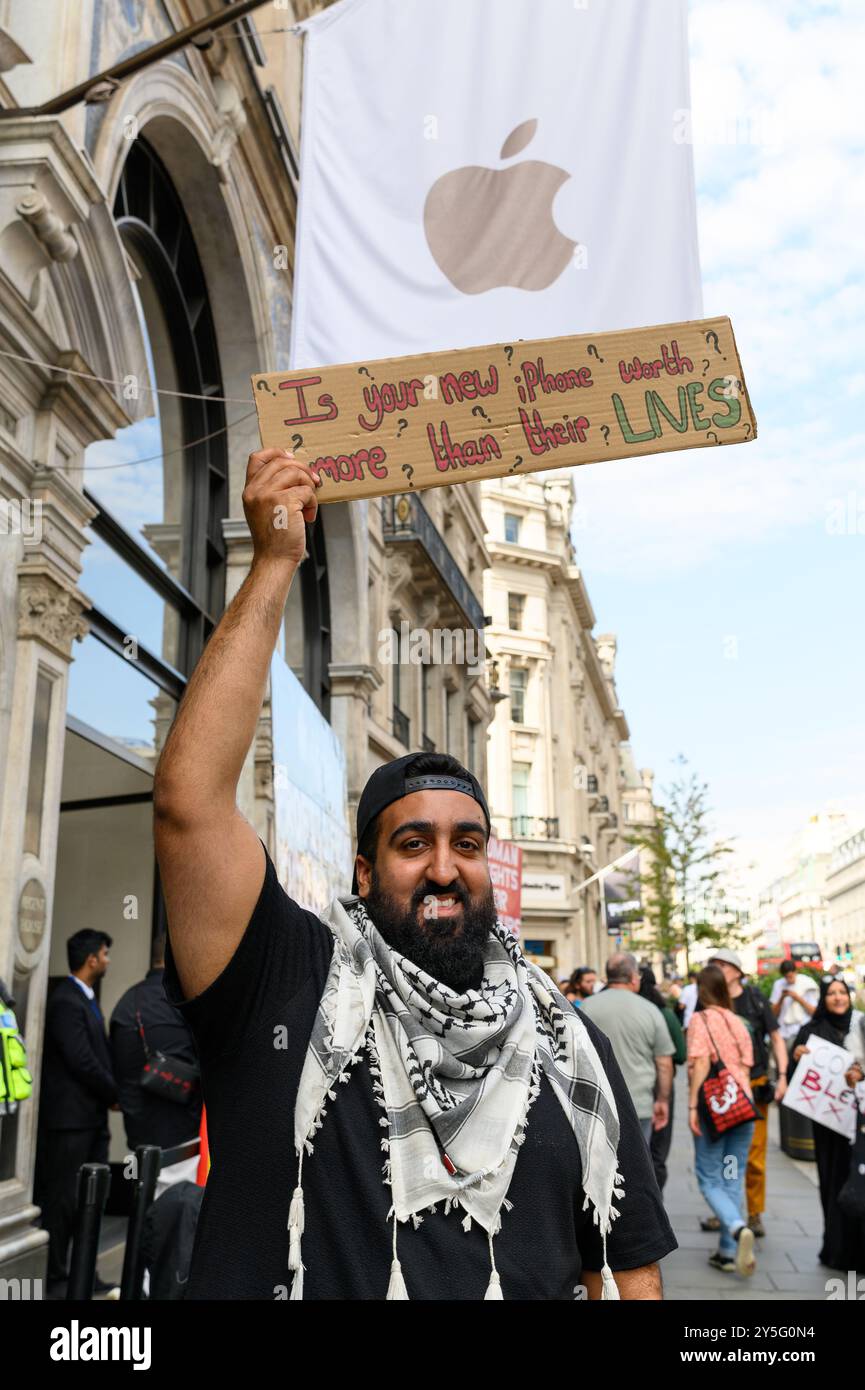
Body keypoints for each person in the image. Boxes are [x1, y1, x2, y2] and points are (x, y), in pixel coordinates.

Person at [152, 449, 678, 1301]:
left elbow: (626, 1267)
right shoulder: (287, 986)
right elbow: (189, 804)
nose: (444, 868)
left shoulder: (565, 1042)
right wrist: (276, 561)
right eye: (412, 844)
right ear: (362, 872)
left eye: (468, 844)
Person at [34, 930, 118, 1297]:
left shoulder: (84, 998)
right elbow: (81, 1060)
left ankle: (84, 1273)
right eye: (104, 953)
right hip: (69, 1123)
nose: (108, 960)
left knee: (88, 1199)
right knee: (63, 1201)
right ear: (91, 960)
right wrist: (113, 1092)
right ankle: (55, 1276)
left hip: (89, 1118)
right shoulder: (66, 1001)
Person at [707, 949, 788, 1239]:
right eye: (713, 965)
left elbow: (776, 1038)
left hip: (754, 1088)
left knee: (753, 1155)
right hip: (719, 1091)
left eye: (721, 965)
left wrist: (783, 1077)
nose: (715, 969)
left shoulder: (754, 999)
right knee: (723, 1155)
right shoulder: (711, 1001)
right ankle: (729, 1211)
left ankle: (753, 1213)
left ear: (737, 971)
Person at [787, 978, 865, 1272]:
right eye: (831, 993)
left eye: (842, 992)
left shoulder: (861, 1027)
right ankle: (836, 1250)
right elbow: (796, 1078)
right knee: (833, 1184)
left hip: (859, 1126)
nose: (837, 998)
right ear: (823, 998)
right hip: (829, 1126)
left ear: (849, 996)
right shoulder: (810, 1031)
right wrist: (797, 1059)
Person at [687, 964, 757, 1276]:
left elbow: (701, 1063)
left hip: (714, 1112)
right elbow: (747, 1064)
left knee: (709, 1177)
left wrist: (691, 1106)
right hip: (742, 1110)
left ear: (701, 990)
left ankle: (736, 1225)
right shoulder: (738, 1021)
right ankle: (728, 1253)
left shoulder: (699, 1020)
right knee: (732, 1174)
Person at [110, 934, 202, 1152]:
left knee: (143, 1186)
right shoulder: (184, 1000)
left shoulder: (125, 1002)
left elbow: (116, 1066)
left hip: (137, 1137)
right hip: (184, 1135)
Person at [580, 954, 675, 1148]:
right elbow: (664, 1063)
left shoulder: (586, 1007)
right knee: (638, 1168)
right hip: (638, 1105)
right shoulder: (650, 1010)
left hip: (596, 1105)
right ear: (633, 977)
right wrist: (663, 1100)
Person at [639, 966, 686, 1191]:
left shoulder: (636, 1009)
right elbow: (680, 1054)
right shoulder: (663, 1013)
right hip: (660, 1083)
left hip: (630, 1084)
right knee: (659, 1147)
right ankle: (656, 1197)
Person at [770, 961, 819, 1045]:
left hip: (803, 1031)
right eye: (786, 977)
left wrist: (798, 998)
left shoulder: (807, 983)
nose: (789, 980)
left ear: (795, 972)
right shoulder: (778, 984)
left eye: (791, 976)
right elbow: (773, 1014)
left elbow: (815, 1012)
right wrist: (781, 998)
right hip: (784, 1032)